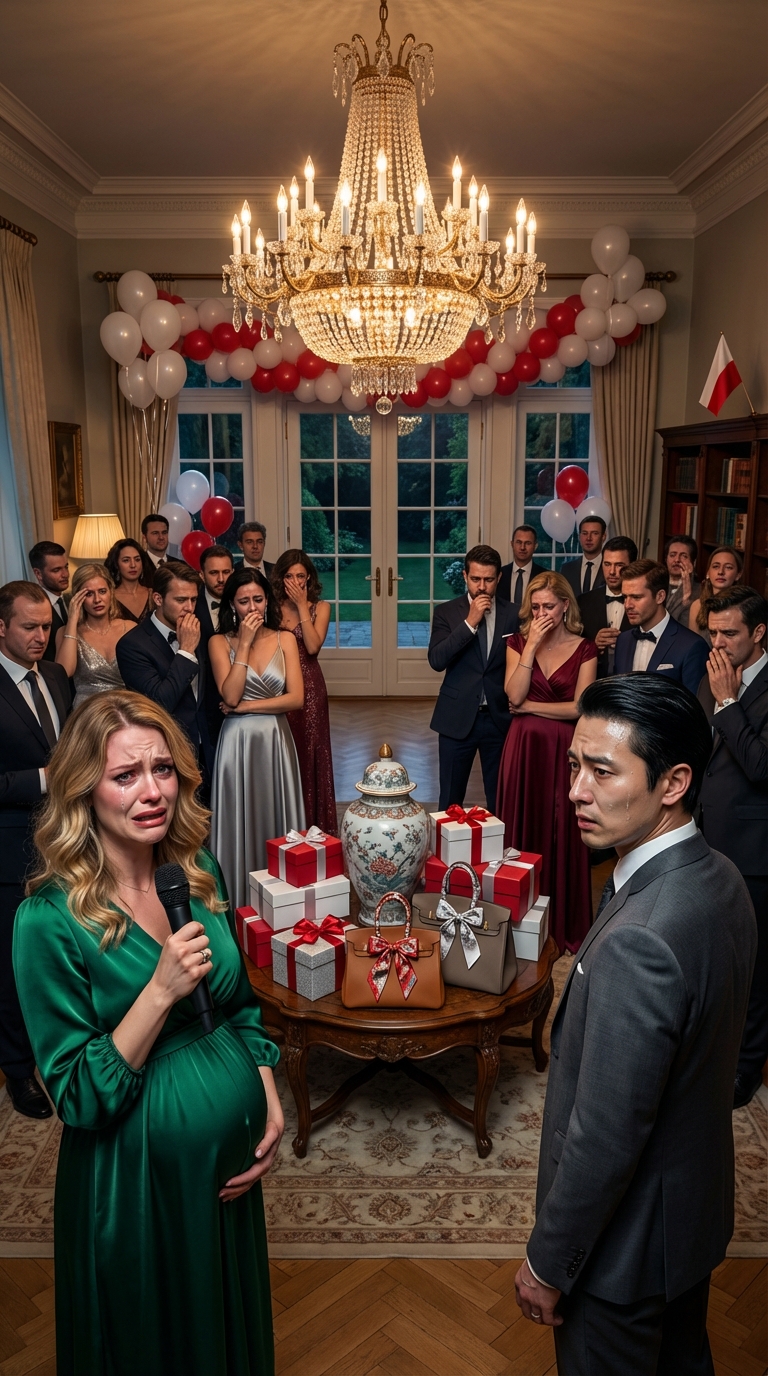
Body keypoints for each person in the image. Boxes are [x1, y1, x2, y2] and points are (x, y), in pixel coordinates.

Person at [13, 690, 283, 1376]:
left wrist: (264, 1093)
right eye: (125, 775)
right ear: (83, 789)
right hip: (136, 1186)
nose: (152, 791)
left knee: (222, 1328)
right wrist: (159, 991)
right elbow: (79, 1096)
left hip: (224, 1177)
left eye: (162, 768)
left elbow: (238, 1005)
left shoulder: (194, 873)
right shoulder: (48, 921)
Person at [515, 675, 756, 1375]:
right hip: (687, 1224)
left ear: (674, 782)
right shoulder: (723, 878)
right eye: (573, 767)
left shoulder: (641, 939)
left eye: (602, 771)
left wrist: (548, 1263)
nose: (575, 792)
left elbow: (605, 1134)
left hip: (622, 1255)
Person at [496, 572, 597, 952]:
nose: (542, 614)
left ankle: (561, 924)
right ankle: (517, 921)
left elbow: (581, 707)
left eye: (549, 606)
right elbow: (513, 694)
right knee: (521, 824)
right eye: (536, 607)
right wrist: (531, 647)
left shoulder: (585, 648)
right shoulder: (518, 643)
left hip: (567, 751)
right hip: (523, 748)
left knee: (562, 827)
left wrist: (529, 708)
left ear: (565, 606)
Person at [0, 581, 71, 1117]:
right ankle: (19, 1070)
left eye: (46, 626)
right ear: (1, 626)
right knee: (12, 964)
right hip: (10, 848)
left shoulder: (55, 677)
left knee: (61, 951)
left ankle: (64, 1047)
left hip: (64, 842)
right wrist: (46, 778)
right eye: (29, 627)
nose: (40, 636)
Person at [697, 585, 768, 1110]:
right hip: (708, 833)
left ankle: (746, 1067)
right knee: (712, 950)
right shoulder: (715, 674)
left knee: (754, 963)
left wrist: (727, 701)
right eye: (712, 632)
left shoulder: (731, 685)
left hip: (755, 847)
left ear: (759, 633)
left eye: (729, 633)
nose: (717, 643)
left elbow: (761, 766)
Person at [209, 568, 305, 909]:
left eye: (258, 599)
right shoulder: (218, 642)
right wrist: (245, 644)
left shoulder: (285, 639)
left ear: (268, 600)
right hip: (237, 744)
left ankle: (285, 903)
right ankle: (239, 903)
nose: (252, 608)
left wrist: (248, 707)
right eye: (244, 601)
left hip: (276, 739)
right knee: (239, 821)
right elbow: (230, 695)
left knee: (277, 818)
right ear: (231, 605)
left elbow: (296, 699)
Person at [428, 545, 519, 811]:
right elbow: (437, 660)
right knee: (450, 800)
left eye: (489, 580)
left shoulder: (514, 614)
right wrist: (470, 622)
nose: (482, 587)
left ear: (499, 578)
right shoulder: (446, 612)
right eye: (476, 579)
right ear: (465, 576)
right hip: (456, 718)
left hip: (500, 718)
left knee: (500, 799)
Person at [116, 562, 213, 779]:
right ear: (158, 599)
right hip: (165, 752)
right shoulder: (132, 645)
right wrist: (186, 650)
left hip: (205, 750)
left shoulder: (198, 630)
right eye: (181, 600)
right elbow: (159, 703)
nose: (189, 607)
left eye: (194, 599)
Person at [272, 548, 337, 835]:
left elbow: (312, 646)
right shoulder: (271, 607)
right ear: (281, 579)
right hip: (278, 685)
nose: (296, 582)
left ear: (309, 578)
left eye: (301, 576)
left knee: (311, 755)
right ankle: (286, 825)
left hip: (310, 690)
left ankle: (315, 826)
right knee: (285, 753)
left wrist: (301, 607)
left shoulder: (320, 607)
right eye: (289, 576)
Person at [614, 559, 709, 694]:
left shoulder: (692, 646)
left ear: (660, 596)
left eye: (636, 597)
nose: (627, 605)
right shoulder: (623, 640)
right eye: (625, 597)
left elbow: (694, 703)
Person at [54, 563, 130, 704]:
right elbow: (64, 672)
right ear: (78, 598)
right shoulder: (64, 632)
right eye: (89, 594)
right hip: (87, 711)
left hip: (126, 707)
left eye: (102, 591)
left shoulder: (130, 628)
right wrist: (72, 619)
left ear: (111, 592)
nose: (97, 600)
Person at [578, 535, 637, 678]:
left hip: (632, 679)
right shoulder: (583, 602)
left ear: (633, 565)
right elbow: (571, 650)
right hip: (594, 680)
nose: (612, 572)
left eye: (619, 565)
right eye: (607, 564)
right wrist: (593, 646)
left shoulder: (644, 603)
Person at [197, 545, 234, 751]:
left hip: (242, 696)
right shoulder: (191, 606)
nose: (221, 579)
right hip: (204, 699)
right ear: (202, 575)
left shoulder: (246, 601)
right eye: (213, 573)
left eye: (226, 572)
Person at [689, 545, 743, 643]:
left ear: (738, 575)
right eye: (716, 566)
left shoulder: (743, 608)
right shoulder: (697, 606)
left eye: (728, 567)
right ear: (708, 573)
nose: (721, 572)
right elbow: (693, 647)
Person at [29, 540, 70, 663]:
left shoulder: (72, 599)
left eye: (66, 567)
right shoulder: (33, 607)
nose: (65, 574)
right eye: (56, 570)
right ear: (38, 573)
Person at [105, 537, 154, 623]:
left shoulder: (153, 595)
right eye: (126, 560)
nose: (133, 565)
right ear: (116, 564)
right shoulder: (109, 597)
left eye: (137, 559)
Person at [497, 524, 548, 607]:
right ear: (512, 544)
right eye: (519, 542)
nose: (522, 547)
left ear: (535, 546)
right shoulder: (500, 574)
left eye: (528, 543)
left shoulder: (544, 575)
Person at [560, 516, 606, 598]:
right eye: (584, 533)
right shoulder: (567, 569)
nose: (588, 538)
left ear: (603, 537)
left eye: (595, 533)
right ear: (579, 536)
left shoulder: (610, 568)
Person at [665, 534, 701, 625]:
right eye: (672, 555)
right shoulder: (655, 584)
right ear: (666, 559)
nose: (677, 560)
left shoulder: (700, 591)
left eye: (684, 556)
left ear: (693, 563)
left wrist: (687, 600)